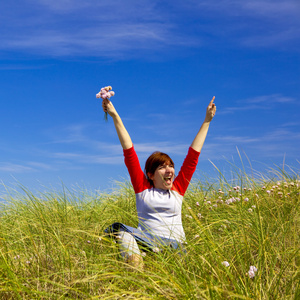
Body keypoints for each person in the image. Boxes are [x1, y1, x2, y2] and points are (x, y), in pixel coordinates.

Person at [102, 95, 216, 270]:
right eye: (162, 167)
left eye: (171, 166)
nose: (169, 170)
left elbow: (193, 155)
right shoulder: (143, 189)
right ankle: (136, 273)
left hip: (176, 247)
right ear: (151, 174)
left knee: (124, 232)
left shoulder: (178, 189)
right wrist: (115, 115)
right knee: (122, 232)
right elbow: (129, 151)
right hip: (149, 242)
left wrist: (207, 121)